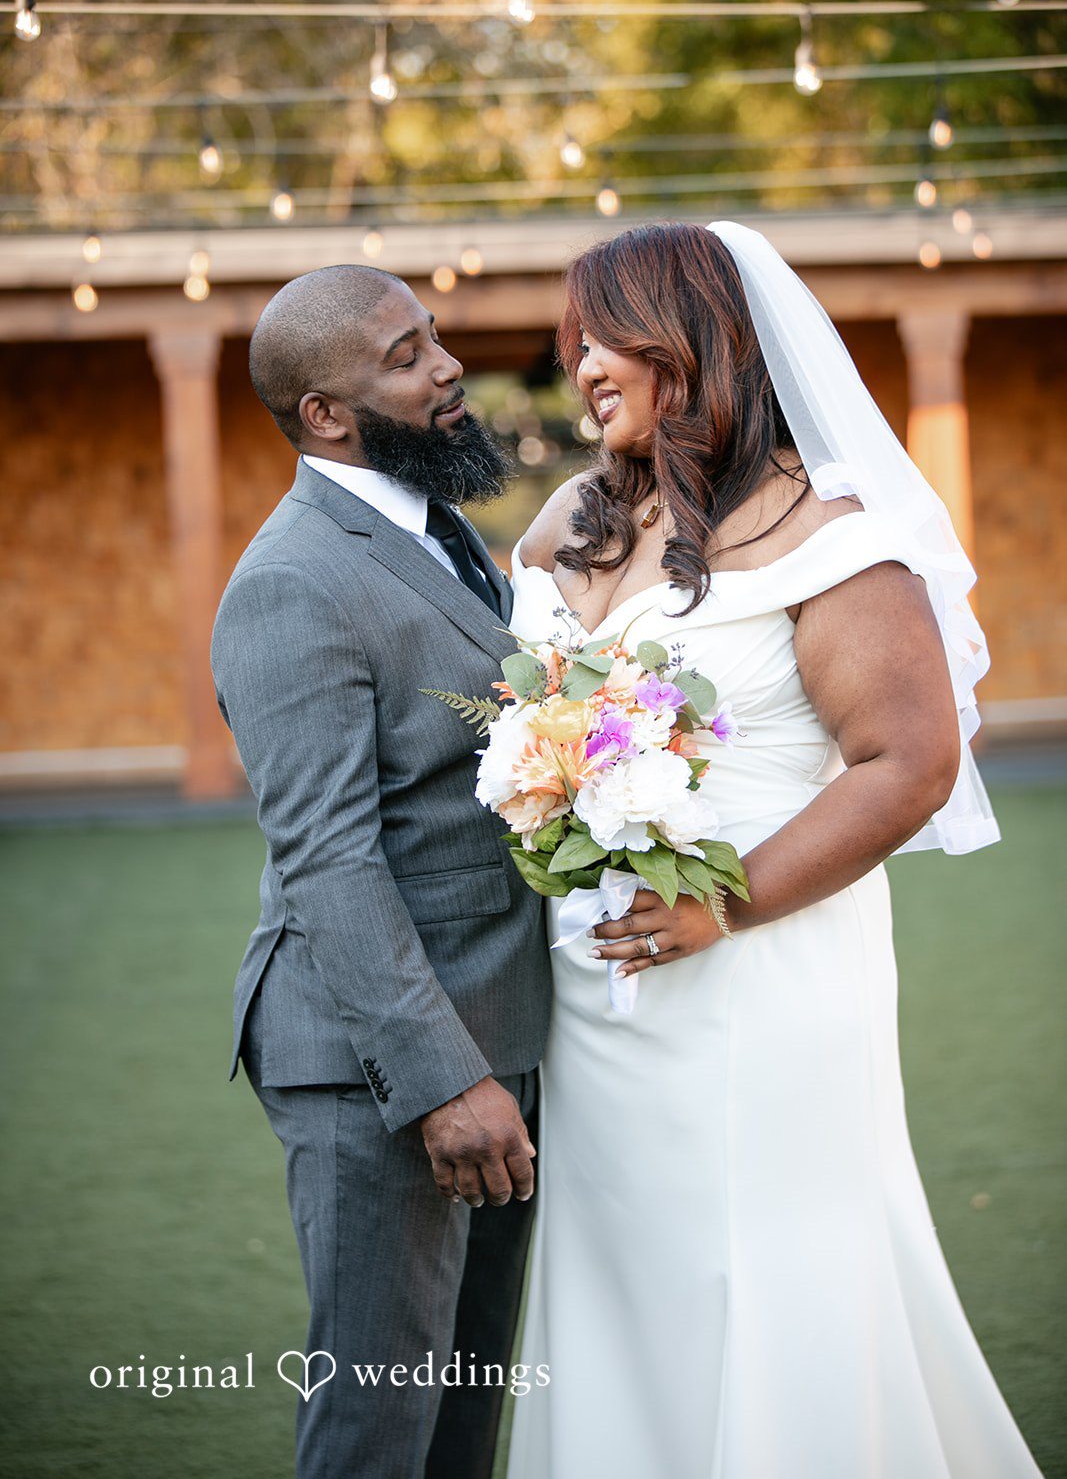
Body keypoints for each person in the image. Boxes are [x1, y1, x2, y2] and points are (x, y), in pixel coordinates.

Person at [504, 222, 1042, 1478]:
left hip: (757, 974)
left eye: (606, 333)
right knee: (619, 1274)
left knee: (760, 1260)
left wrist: (720, 911)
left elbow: (908, 765)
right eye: (570, 338)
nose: (578, 361)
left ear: (692, 340)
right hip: (595, 991)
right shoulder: (577, 516)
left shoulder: (830, 534)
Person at [210, 264, 551, 1479]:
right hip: (381, 1070)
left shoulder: (433, 519)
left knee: (461, 1416)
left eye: (433, 338)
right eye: (406, 354)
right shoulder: (291, 582)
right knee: (376, 1422)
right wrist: (443, 1085)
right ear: (325, 415)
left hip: (492, 1033)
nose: (446, 365)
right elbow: (328, 860)